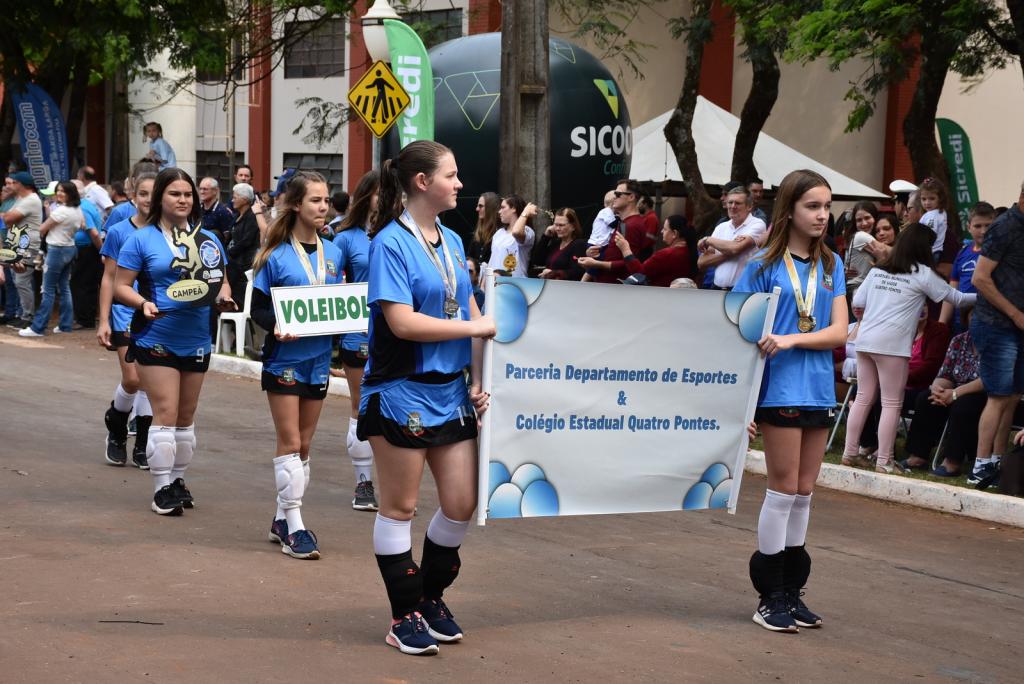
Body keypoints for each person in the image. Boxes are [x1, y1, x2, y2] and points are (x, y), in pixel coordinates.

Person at [360, 140, 494, 655]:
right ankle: (403, 614)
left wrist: (479, 379)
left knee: (460, 503)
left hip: (451, 390)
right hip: (399, 390)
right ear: (423, 182)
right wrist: (472, 326)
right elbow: (402, 322)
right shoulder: (389, 243)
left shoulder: (454, 240)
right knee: (401, 507)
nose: (460, 184)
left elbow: (475, 310)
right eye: (452, 175)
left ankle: (430, 598)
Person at [733, 169, 848, 633]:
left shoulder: (832, 265)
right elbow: (739, 333)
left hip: (819, 389)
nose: (822, 215)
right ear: (790, 210)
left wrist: (793, 340)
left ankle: (793, 592)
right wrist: (741, 405)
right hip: (779, 390)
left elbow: (841, 332)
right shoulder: (760, 265)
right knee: (782, 490)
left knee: (804, 492)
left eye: (826, 206)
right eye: (812, 206)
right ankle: (770, 597)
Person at [113, 167, 235, 516]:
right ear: (159, 198)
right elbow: (121, 286)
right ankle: (161, 487)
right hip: (156, 336)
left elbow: (220, 281)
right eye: (174, 194)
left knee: (186, 415)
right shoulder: (141, 239)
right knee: (164, 412)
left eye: (187, 194)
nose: (182, 200)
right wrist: (142, 303)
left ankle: (178, 480)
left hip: (197, 336)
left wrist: (224, 298)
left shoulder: (208, 239)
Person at [248, 171, 343, 560]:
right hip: (284, 360)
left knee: (304, 446)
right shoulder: (274, 255)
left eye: (325, 201)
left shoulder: (333, 254)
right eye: (314, 201)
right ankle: (296, 527)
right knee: (289, 443)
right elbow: (257, 309)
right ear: (296, 205)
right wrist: (279, 326)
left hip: (318, 360)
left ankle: (280, 517)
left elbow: (340, 305)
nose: (322, 207)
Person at [842, 223, 975, 474]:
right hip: (893, 346)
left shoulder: (879, 269)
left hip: (865, 340)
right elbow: (957, 299)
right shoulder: (922, 273)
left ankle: (850, 453)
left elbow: (858, 301)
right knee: (892, 403)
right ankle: (884, 461)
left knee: (863, 397)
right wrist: (986, 295)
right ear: (924, 247)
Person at [97, 172, 157, 468]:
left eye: (154, 194)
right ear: (133, 195)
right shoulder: (120, 230)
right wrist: (103, 320)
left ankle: (143, 444)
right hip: (124, 311)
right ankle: (117, 426)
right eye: (143, 193)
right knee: (133, 379)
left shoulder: (169, 231)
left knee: (148, 382)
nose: (148, 200)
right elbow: (109, 278)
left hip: (157, 313)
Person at [967, 180, 1024, 485]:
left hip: (1017, 326)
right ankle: (980, 466)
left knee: (1012, 396)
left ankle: (996, 464)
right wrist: (1015, 314)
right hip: (996, 324)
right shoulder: (1004, 227)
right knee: (999, 395)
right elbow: (980, 278)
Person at [332, 170, 380, 511]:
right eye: (381, 192)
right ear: (367, 195)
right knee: (361, 405)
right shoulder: (345, 237)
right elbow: (328, 282)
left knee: (397, 407)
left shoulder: (406, 233)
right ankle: (364, 483)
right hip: (358, 331)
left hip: (402, 332)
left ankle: (393, 483)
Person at [898, 315, 985, 476]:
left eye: (981, 316)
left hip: (982, 394)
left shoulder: (997, 343)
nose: (977, 319)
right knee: (926, 399)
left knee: (963, 405)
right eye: (973, 315)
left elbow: (988, 379)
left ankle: (952, 462)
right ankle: (918, 456)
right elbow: (945, 373)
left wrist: (954, 394)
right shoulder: (959, 340)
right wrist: (938, 390)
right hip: (953, 390)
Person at [17, 182, 83, 338]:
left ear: (70, 194)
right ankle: (65, 325)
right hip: (70, 248)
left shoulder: (61, 211)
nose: (59, 194)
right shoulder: (77, 209)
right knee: (64, 288)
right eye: (58, 191)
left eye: (63, 191)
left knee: (47, 290)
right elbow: (82, 225)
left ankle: (38, 327)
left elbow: (42, 228)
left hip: (56, 250)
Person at [940, 202, 996, 332]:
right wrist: (941, 324)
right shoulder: (962, 253)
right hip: (961, 324)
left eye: (988, 225)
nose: (983, 231)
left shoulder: (1002, 253)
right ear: (968, 227)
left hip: (990, 323)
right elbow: (951, 291)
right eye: (978, 226)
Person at [698, 186, 767, 290]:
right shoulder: (721, 227)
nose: (732, 206)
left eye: (738, 203)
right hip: (717, 288)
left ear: (749, 206)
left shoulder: (757, 224)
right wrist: (732, 251)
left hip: (743, 291)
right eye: (730, 202)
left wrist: (708, 240)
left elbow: (734, 249)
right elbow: (702, 262)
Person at [1, 171, 43, 329]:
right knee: (17, 280)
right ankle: (22, 314)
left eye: (14, 183)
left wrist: (7, 217)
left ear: (22, 185)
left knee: (22, 280)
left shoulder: (30, 200)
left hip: (26, 244)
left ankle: (28, 316)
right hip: (18, 242)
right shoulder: (22, 199)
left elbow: (8, 219)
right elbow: (7, 220)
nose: (10, 186)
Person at [611, 214, 695, 287]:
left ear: (675, 234)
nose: (662, 231)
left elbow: (640, 273)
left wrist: (625, 249)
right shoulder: (690, 251)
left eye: (665, 229)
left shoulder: (667, 254)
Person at [227, 183, 261, 309]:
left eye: (235, 197)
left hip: (243, 265)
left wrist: (228, 254)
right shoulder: (236, 216)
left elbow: (246, 241)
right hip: (233, 261)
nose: (232, 200)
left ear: (245, 199)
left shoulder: (252, 216)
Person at [486, 195, 536, 277]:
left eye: (503, 207)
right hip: (495, 285)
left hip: (515, 285)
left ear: (514, 208)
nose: (499, 211)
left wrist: (526, 212)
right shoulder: (499, 232)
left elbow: (516, 232)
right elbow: (492, 261)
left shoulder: (528, 231)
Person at [534, 208, 587, 281]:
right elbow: (537, 260)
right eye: (556, 225)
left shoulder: (579, 244)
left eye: (561, 225)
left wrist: (553, 273)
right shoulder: (555, 243)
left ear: (573, 226)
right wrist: (546, 237)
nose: (558, 228)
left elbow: (578, 272)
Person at [918, 176, 950, 257]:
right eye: (924, 199)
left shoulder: (932, 215)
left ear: (940, 198)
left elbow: (929, 235)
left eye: (932, 198)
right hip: (935, 251)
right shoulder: (941, 212)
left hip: (930, 252)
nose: (927, 203)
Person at [467, 192, 499, 266]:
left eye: (480, 206)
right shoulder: (477, 233)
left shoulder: (500, 233)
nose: (477, 209)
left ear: (490, 208)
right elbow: (470, 257)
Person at [198, 177, 234, 244]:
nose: (201, 192)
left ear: (215, 191)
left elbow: (228, 238)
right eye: (200, 189)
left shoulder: (223, 211)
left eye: (205, 189)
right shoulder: (198, 209)